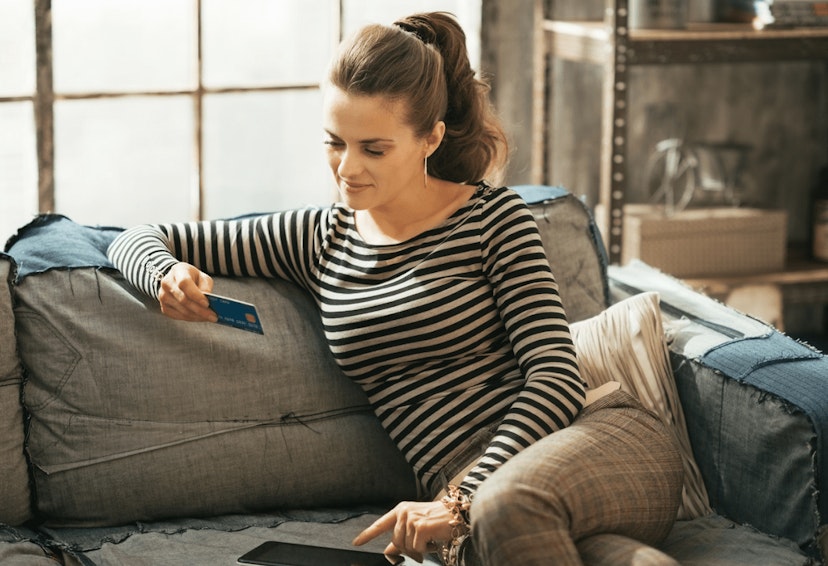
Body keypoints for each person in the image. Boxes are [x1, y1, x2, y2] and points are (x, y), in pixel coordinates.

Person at [108, 12, 683, 566]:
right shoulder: (317, 237)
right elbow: (135, 235)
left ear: (430, 138)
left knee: (508, 506)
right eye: (335, 142)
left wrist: (461, 501)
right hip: (465, 505)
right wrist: (162, 274)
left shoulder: (493, 220)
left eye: (373, 148)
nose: (346, 169)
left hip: (595, 445)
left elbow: (555, 377)